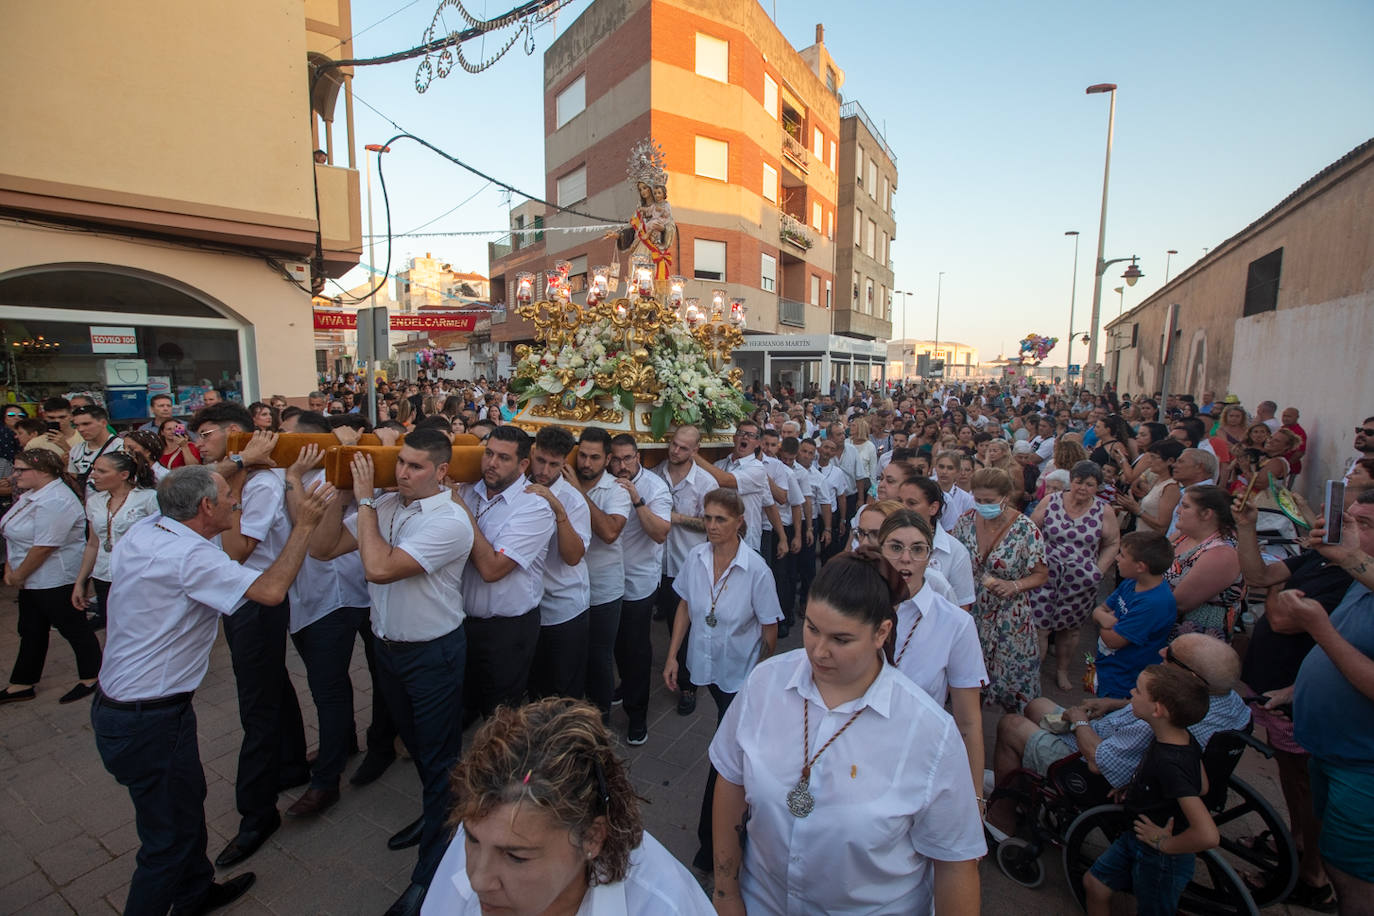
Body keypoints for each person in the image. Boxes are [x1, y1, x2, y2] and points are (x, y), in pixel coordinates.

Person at [93, 466, 333, 915]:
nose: (236, 501)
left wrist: (236, 467)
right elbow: (271, 589)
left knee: (185, 807)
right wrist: (303, 525)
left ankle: (194, 893)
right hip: (146, 718)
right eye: (228, 496)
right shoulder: (192, 558)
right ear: (205, 507)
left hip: (133, 709)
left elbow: (183, 488)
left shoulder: (149, 528)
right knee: (166, 842)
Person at [709, 552, 984, 915]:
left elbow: (954, 864)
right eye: (811, 629)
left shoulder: (929, 732)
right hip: (764, 901)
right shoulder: (765, 682)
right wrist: (726, 892)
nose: (819, 652)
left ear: (881, 632)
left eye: (840, 639)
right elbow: (731, 778)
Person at [311, 431, 475, 915]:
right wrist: (344, 488)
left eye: (416, 466)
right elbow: (322, 548)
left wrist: (363, 501)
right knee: (424, 753)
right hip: (389, 650)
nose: (402, 472)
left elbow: (379, 568)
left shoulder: (450, 521)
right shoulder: (385, 504)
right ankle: (435, 821)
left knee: (442, 761)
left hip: (433, 654)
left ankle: (428, 881)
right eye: (400, 462)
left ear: (442, 472)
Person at [420, 698, 714, 916]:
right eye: (471, 839)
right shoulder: (489, 827)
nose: (478, 880)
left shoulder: (664, 906)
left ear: (592, 837)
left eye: (515, 857)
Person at [189, 403, 310, 870]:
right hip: (243, 600)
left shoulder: (259, 484)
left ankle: (257, 815)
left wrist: (235, 480)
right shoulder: (238, 477)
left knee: (255, 707)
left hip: (255, 600)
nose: (200, 444)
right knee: (271, 685)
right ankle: (293, 762)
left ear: (235, 434)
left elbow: (238, 549)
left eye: (206, 434)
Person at [1233, 492, 1364, 911]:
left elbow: (1281, 618)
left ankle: (1311, 870)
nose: (1340, 525)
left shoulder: (1347, 576)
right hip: (1285, 694)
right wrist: (1247, 527)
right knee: (1293, 780)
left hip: (1347, 744)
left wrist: (1284, 594)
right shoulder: (1324, 560)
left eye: (1364, 522)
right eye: (1349, 517)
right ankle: (1298, 845)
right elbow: (1257, 574)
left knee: (1304, 787)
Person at [989, 634, 1250, 807]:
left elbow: (1099, 762)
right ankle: (1018, 782)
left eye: (1170, 655)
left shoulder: (1161, 727)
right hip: (1111, 739)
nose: (1161, 651)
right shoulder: (1229, 705)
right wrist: (1115, 704)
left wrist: (1080, 722)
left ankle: (1003, 819)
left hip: (1093, 767)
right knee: (1037, 706)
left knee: (1011, 725)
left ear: (1191, 678)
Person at [663, 488, 781, 872]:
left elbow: (769, 630)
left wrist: (760, 682)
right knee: (729, 748)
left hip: (740, 673)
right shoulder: (696, 558)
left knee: (725, 756)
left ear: (739, 522)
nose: (712, 527)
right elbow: (683, 604)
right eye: (708, 518)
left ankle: (714, 840)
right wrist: (672, 656)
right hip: (705, 662)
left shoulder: (756, 570)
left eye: (720, 520)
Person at [1269, 494, 1374, 915]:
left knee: (1356, 879)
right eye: (1352, 521)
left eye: (1365, 524)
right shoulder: (1360, 581)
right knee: (1333, 857)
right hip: (1331, 749)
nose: (1354, 532)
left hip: (1363, 765)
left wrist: (1319, 626)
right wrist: (1296, 691)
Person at [1083, 664, 1220, 916]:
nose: (1131, 693)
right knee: (1095, 885)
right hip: (1136, 835)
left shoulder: (1171, 762)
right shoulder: (1181, 737)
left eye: (1138, 691)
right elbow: (1202, 785)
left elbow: (1208, 835)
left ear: (1157, 710)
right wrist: (1138, 786)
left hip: (1159, 856)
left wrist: (1164, 843)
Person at [878, 510, 988, 807]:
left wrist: (975, 798)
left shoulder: (954, 623)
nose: (906, 559)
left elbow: (968, 722)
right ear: (880, 550)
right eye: (895, 547)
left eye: (917, 549)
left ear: (930, 557)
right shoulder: (856, 609)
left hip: (917, 763)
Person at [456, 425, 555, 721]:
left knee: (502, 716)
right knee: (465, 703)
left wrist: (459, 511)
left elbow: (492, 569)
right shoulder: (466, 491)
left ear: (523, 464)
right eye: (488, 454)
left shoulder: (535, 507)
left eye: (503, 458)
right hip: (462, 622)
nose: (491, 463)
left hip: (507, 631)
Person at [0, 450, 100, 705]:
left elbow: (44, 546)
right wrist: (11, 569)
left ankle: (93, 677)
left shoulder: (56, 500)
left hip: (55, 578)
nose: (15, 475)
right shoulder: (33, 495)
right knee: (31, 629)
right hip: (31, 578)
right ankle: (22, 682)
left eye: (21, 470)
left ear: (43, 471)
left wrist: (19, 574)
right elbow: (13, 534)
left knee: (73, 629)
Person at [953, 467, 1048, 711]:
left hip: (1009, 616)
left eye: (989, 501)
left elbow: (1040, 574)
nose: (982, 505)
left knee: (1013, 683)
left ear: (1005, 497)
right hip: (973, 610)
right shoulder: (965, 521)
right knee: (970, 677)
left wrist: (1014, 585)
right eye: (978, 499)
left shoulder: (1025, 529)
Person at [1028, 460, 1121, 691]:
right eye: (1078, 482)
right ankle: (1032, 673)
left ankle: (1062, 671)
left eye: (1089, 484)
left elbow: (1112, 543)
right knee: (1039, 626)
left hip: (1080, 582)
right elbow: (1029, 529)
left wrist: (1097, 571)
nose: (1082, 488)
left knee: (1069, 630)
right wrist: (1033, 559)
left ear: (1097, 487)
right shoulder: (1052, 501)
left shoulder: (1104, 510)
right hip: (1045, 575)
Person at [608, 434, 671, 745]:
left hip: (638, 581)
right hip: (607, 581)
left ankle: (637, 715)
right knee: (615, 644)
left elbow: (660, 533)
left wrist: (636, 498)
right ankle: (623, 687)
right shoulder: (605, 482)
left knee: (636, 649)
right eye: (616, 459)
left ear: (638, 458)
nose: (622, 466)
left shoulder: (655, 487)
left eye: (627, 459)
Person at [569, 427, 633, 723]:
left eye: (594, 457)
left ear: (607, 459)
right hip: (570, 588)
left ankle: (601, 723)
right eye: (582, 455)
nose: (586, 463)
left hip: (604, 588)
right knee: (574, 658)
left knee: (599, 659)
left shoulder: (616, 489)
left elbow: (609, 532)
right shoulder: (566, 481)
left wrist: (579, 493)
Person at [525, 426, 592, 701]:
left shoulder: (574, 500)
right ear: (532, 452)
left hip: (564, 607)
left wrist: (558, 510)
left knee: (564, 689)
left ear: (564, 463)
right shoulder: (520, 486)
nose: (544, 470)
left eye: (554, 464)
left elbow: (573, 556)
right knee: (536, 685)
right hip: (529, 606)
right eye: (540, 460)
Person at [653, 425, 714, 714]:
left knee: (686, 628)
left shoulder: (705, 482)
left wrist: (676, 517)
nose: (675, 451)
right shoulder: (654, 475)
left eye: (683, 448)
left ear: (695, 451)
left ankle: (689, 685)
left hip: (685, 564)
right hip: (655, 563)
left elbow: (710, 524)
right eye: (674, 445)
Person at [72, 452, 159, 631]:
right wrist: (81, 582)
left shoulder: (148, 498)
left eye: (102, 471)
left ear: (124, 475)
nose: (94, 475)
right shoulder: (95, 501)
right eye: (94, 470)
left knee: (139, 628)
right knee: (112, 627)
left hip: (137, 576)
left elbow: (161, 540)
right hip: (104, 575)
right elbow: (93, 544)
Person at [1089, 531, 1178, 699]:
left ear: (1140, 566)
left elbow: (1113, 640)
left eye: (1122, 555)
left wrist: (1103, 617)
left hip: (1125, 681)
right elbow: (1099, 610)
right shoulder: (1132, 581)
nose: (1117, 558)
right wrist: (1107, 619)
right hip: (1108, 669)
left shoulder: (1154, 603)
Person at [1167, 485, 1242, 641]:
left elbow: (1178, 604)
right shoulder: (1183, 535)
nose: (1178, 511)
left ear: (1207, 513)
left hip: (1191, 639)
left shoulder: (1221, 553)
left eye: (1185, 506)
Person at [897, 475, 977, 608]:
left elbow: (962, 607)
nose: (902, 508)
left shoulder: (955, 551)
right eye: (899, 501)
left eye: (912, 503)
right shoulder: (886, 542)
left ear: (933, 508)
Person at [1115, 440, 1184, 534]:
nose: (1149, 461)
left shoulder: (1170, 487)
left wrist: (1136, 509)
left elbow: (1162, 526)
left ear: (1170, 461)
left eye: (1153, 457)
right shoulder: (1159, 480)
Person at [67, 403, 124, 493]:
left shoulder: (122, 447)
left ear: (103, 423)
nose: (80, 429)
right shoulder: (76, 450)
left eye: (86, 424)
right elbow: (74, 479)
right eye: (77, 425)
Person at [933, 449, 975, 532]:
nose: (944, 472)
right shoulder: (923, 488)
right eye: (941, 467)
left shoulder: (966, 498)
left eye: (950, 468)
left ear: (957, 471)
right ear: (935, 468)